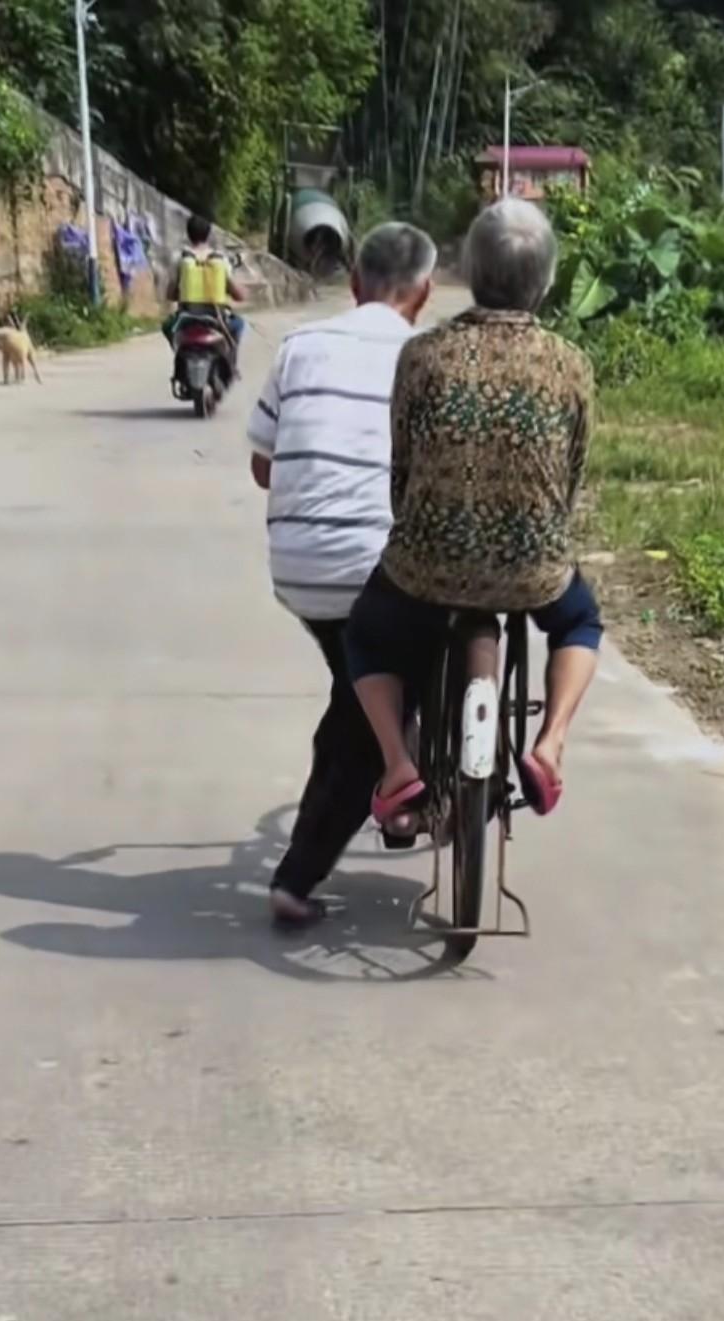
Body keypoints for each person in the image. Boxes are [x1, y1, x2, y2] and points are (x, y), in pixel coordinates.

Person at [345, 199, 603, 831]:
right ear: (544, 281)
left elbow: (400, 468)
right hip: (533, 565)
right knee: (580, 622)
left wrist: (422, 528)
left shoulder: (422, 355)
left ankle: (399, 764)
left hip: (425, 563)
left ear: (466, 271)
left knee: (365, 634)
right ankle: (550, 743)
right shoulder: (571, 364)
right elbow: (572, 472)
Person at [247, 222, 438, 926]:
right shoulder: (428, 355)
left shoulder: (300, 346)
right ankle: (297, 877)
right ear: (423, 292)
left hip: (300, 568)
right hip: (377, 567)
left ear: (353, 283)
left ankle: (393, 798)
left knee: (354, 685)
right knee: (378, 702)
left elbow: (263, 464)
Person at [163, 214, 248, 354]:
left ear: (188, 234)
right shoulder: (221, 260)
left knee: (167, 325)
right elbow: (238, 295)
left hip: (186, 317)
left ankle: (179, 352)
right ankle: (231, 364)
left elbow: (170, 294)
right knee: (239, 324)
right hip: (216, 318)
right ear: (209, 234)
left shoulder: (181, 259)